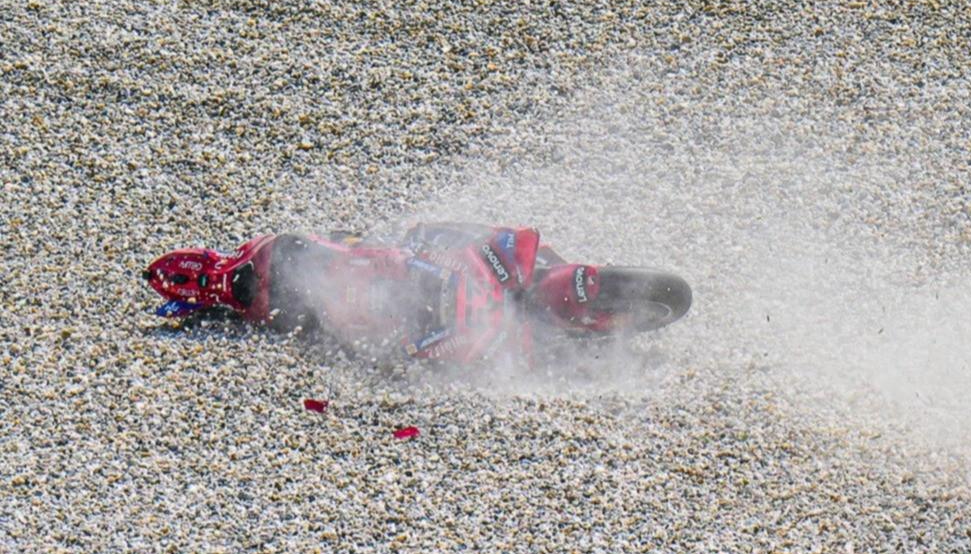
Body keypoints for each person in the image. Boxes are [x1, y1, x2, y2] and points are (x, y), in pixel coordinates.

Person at [141, 224, 617, 365]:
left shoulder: (271, 253)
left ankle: (549, 271)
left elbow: (357, 257)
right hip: (417, 317)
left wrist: (414, 261)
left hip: (414, 276)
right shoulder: (270, 312)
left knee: (430, 233)